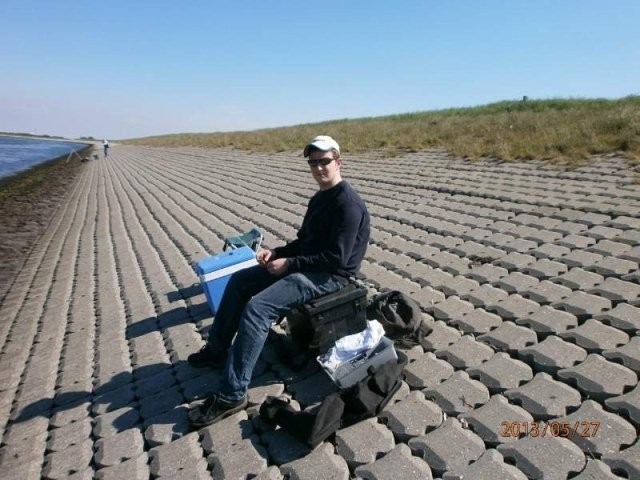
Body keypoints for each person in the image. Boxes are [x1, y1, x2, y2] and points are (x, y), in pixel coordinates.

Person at [188, 135, 370, 428]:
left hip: (331, 276)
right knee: (239, 281)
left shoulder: (348, 205)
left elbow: (336, 259)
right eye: (313, 162)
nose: (319, 168)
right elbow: (304, 242)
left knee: (259, 308)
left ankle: (233, 394)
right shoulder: (320, 198)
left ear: (339, 162)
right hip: (309, 265)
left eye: (325, 161)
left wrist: (289, 264)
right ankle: (217, 350)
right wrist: (277, 253)